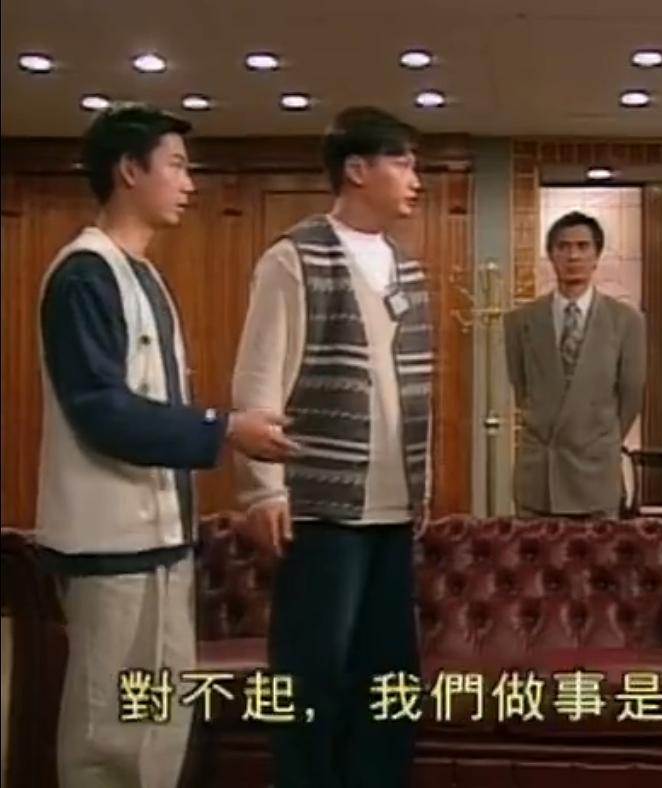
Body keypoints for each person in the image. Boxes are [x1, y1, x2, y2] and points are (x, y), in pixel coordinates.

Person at [36, 102, 295, 788]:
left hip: (164, 542)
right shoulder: (85, 274)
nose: (189, 183)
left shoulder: (143, 273)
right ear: (129, 170)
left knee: (156, 721)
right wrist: (224, 430)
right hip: (109, 545)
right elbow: (103, 411)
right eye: (176, 166)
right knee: (107, 735)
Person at [232, 106, 431, 788]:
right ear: (357, 169)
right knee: (313, 674)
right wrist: (262, 489)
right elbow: (259, 381)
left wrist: (420, 488)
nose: (415, 179)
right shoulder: (294, 257)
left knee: (389, 679)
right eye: (402, 162)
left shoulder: (406, 269)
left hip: (394, 509)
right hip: (321, 506)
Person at [504, 211, 646, 518]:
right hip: (539, 477)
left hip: (595, 475)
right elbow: (522, 390)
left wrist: (597, 437)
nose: (573, 256)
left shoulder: (625, 321)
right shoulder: (520, 321)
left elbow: (631, 396)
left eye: (583, 247)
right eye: (563, 247)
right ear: (551, 255)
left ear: (597, 255)